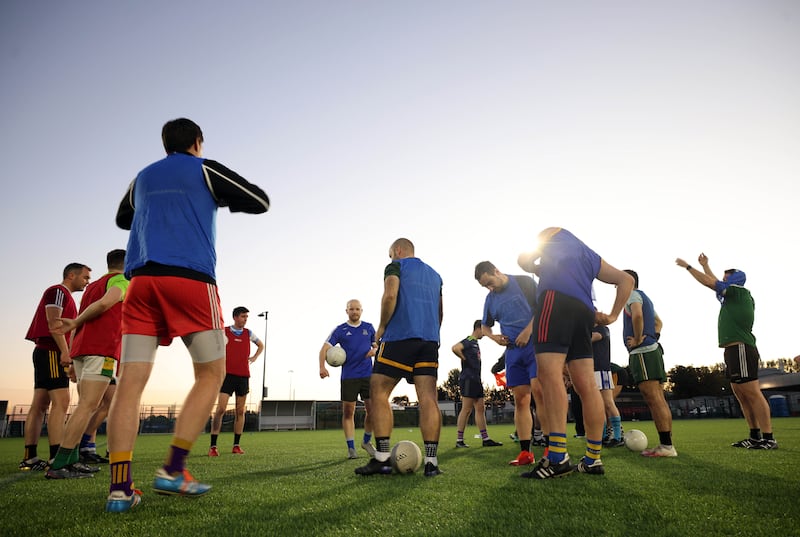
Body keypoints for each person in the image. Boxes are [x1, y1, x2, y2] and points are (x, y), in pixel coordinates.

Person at [106, 118, 269, 513]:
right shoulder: (204, 168)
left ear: (165, 145)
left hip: (141, 282)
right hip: (190, 280)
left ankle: (120, 490)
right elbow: (259, 199)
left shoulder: (142, 178)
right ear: (198, 142)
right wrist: (213, 198)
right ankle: (174, 469)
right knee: (211, 375)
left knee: (129, 383)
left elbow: (121, 218)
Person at [517, 227, 633, 478]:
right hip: (584, 311)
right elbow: (626, 280)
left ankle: (557, 457)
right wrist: (612, 316)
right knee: (587, 385)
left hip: (553, 301)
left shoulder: (552, 233)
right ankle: (593, 459)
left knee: (550, 376)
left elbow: (523, 260)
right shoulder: (589, 255)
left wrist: (536, 267)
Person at [355, 238, 444, 477]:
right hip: (429, 340)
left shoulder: (396, 266)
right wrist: (432, 334)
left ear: (397, 250)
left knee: (379, 391)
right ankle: (432, 462)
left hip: (399, 337)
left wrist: (382, 326)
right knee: (428, 399)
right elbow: (439, 311)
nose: (390, 258)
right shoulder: (436, 276)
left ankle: (382, 457)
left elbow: (390, 295)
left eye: (390, 254)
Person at [675, 254, 777, 449]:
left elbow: (709, 283)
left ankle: (769, 438)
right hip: (732, 351)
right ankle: (755, 436)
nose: (721, 281)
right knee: (740, 393)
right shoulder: (732, 295)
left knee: (752, 393)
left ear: (733, 280)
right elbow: (713, 282)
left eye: (725, 279)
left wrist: (688, 267)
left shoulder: (739, 292)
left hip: (742, 349)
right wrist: (706, 265)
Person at [46, 249, 128, 479]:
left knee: (86, 404)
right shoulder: (122, 280)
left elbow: (87, 312)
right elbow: (104, 305)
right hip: (101, 350)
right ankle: (59, 465)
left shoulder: (92, 286)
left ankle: (71, 461)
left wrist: (72, 356)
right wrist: (76, 323)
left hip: (82, 350)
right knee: (88, 406)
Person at [20, 263, 91, 471]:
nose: (87, 282)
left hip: (47, 352)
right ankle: (56, 458)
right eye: (85, 277)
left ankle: (30, 458)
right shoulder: (58, 291)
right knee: (61, 402)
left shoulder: (66, 296)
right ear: (71, 275)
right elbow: (54, 323)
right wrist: (65, 352)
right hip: (51, 351)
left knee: (40, 404)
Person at [474, 261, 545, 466]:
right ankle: (526, 453)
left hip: (535, 346)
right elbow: (485, 325)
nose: (490, 288)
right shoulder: (490, 300)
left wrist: (527, 331)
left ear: (496, 271)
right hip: (513, 353)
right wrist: (494, 337)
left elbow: (543, 309)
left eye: (490, 282)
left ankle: (552, 449)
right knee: (521, 400)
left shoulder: (524, 282)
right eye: (485, 286)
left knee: (539, 394)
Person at [622, 270, 676, 457]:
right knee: (658, 398)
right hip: (651, 351)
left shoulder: (631, 295)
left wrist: (638, 339)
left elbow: (637, 316)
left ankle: (667, 447)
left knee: (653, 398)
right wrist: (653, 336)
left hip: (643, 353)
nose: (615, 285)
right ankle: (666, 445)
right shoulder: (643, 296)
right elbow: (658, 322)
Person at [319, 299, 377, 459]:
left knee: (372, 411)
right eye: (352, 309)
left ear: (361, 311)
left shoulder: (369, 328)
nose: (355, 312)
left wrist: (374, 351)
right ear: (347, 311)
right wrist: (322, 367)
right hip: (349, 377)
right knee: (348, 412)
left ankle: (366, 442)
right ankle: (351, 448)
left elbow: (378, 345)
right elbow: (324, 349)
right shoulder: (340, 330)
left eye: (357, 309)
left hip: (367, 375)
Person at [209, 306, 264, 457]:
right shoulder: (224, 332)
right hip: (226, 376)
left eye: (246, 317)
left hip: (243, 377)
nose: (245, 319)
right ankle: (213, 446)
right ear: (235, 317)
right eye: (242, 316)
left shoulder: (248, 333)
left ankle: (236, 445)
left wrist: (254, 357)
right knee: (220, 409)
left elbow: (261, 345)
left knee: (240, 411)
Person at [451, 320, 502, 448]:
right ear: (479, 328)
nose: (485, 334)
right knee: (467, 409)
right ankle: (459, 440)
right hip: (468, 379)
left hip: (476, 379)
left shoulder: (475, 343)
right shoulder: (469, 340)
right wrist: (464, 359)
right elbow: (455, 348)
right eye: (484, 331)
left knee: (480, 408)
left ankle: (486, 439)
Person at [592, 323, 624, 447]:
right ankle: (603, 435)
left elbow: (593, 337)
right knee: (598, 406)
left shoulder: (602, 329)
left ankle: (618, 436)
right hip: (592, 370)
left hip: (601, 370)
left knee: (608, 403)